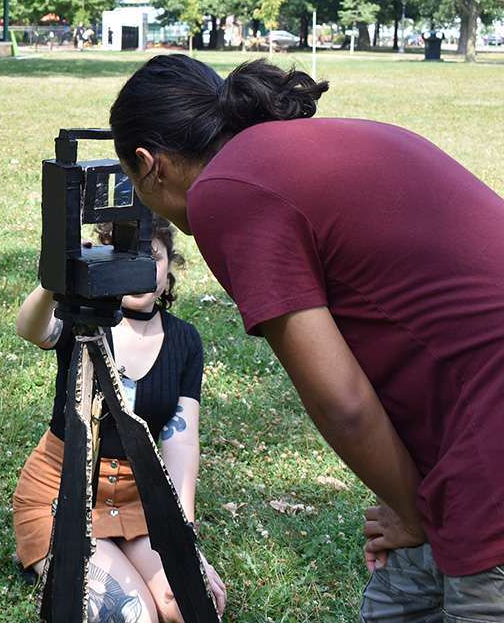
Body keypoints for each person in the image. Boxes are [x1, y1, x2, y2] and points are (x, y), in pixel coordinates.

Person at [109, 54, 504, 621]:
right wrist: (412, 499)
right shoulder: (305, 145)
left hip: (486, 441)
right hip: (455, 436)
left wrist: (413, 512)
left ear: (151, 165)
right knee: (402, 598)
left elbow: (342, 401)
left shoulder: (226, 192)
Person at [12, 215, 226, 623]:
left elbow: (180, 443)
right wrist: (56, 279)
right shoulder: (82, 319)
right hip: (61, 496)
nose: (143, 269)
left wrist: (185, 539)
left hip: (138, 502)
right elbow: (31, 328)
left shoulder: (185, 341)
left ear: (169, 266)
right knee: (132, 616)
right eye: (129, 257)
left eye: (154, 256)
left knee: (190, 607)